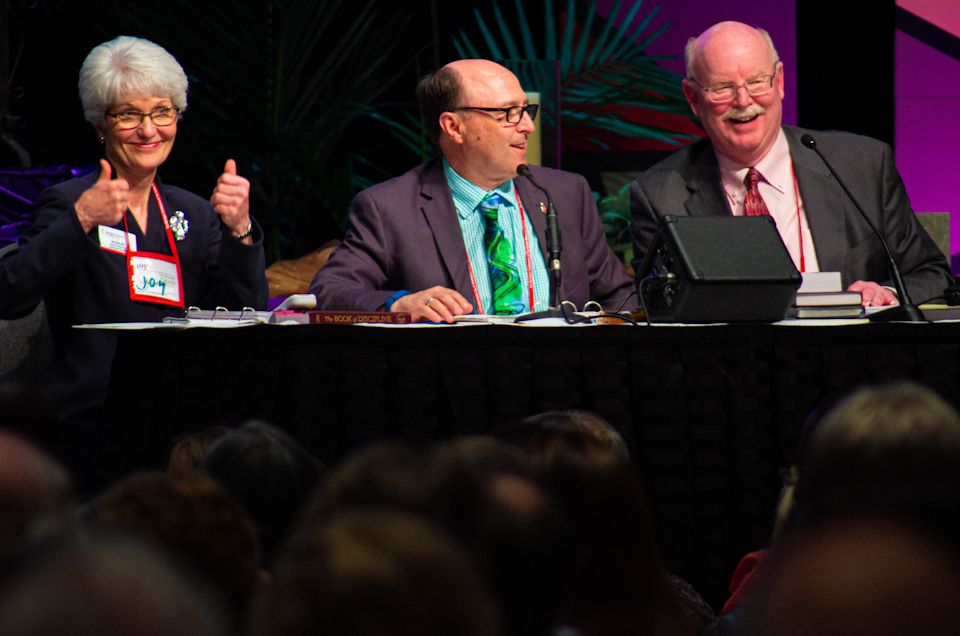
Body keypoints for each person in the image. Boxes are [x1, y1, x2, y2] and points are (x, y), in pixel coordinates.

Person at [0, 36, 267, 484]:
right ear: (99, 125)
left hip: (180, 413)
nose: (149, 130)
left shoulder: (193, 212)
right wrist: (81, 221)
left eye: (162, 112)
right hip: (94, 414)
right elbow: (10, 293)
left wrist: (240, 230)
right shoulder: (69, 202)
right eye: (129, 115)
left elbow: (243, 313)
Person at [630, 21, 952, 307]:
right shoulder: (660, 195)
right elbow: (659, 308)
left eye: (757, 81)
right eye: (722, 88)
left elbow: (930, 274)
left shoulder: (861, 165)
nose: (743, 102)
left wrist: (887, 292)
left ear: (780, 81)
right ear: (692, 98)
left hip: (850, 360)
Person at [311, 59, 635, 322]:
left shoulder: (566, 193)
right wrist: (399, 304)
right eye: (508, 114)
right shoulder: (389, 208)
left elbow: (619, 295)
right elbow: (330, 290)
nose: (528, 126)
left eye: (526, 110)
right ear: (454, 127)